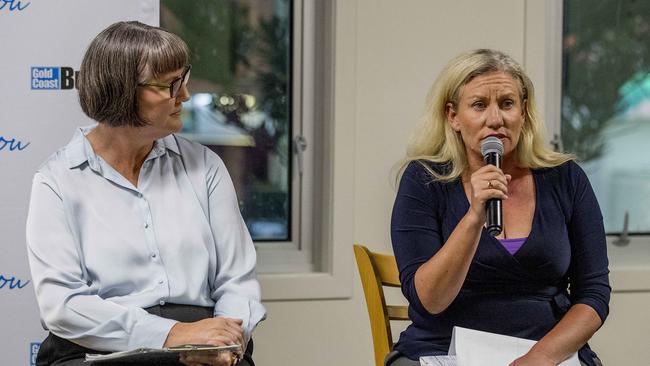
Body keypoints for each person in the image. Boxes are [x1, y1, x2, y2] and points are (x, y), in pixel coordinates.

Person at [25, 21, 265, 366]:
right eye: (170, 84)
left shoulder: (206, 167)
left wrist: (226, 341)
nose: (184, 95)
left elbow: (237, 281)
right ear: (122, 90)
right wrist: (172, 335)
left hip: (204, 344)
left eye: (183, 79)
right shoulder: (56, 181)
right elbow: (62, 307)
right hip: (100, 350)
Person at [388, 49, 610, 366]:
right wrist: (475, 214)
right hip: (444, 348)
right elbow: (430, 301)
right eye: (479, 105)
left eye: (507, 103)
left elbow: (594, 294)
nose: (496, 119)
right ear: (453, 116)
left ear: (524, 111)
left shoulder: (566, 179)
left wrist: (540, 357)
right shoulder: (424, 180)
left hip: (545, 351)